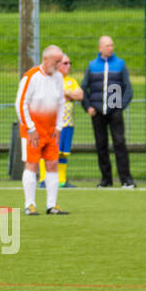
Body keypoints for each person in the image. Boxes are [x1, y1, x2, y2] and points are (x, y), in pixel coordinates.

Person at [16, 45, 67, 215]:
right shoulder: (31, 77)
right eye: (56, 61)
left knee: (53, 164)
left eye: (61, 61)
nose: (59, 65)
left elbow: (61, 104)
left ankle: (51, 205)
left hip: (51, 131)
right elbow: (20, 104)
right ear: (46, 59)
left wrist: (59, 127)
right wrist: (30, 128)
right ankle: (29, 205)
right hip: (33, 131)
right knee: (32, 165)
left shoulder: (59, 77)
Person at [81, 35, 136, 188]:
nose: (110, 48)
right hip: (97, 113)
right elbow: (83, 89)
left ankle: (126, 179)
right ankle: (106, 180)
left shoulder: (120, 64)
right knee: (101, 145)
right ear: (100, 48)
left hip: (115, 112)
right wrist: (88, 107)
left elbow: (128, 89)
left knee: (120, 144)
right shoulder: (92, 66)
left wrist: (119, 106)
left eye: (111, 45)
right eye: (107, 46)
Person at [39, 54, 83, 189]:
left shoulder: (71, 81)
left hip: (68, 123)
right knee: (49, 151)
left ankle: (62, 181)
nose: (68, 66)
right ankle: (43, 179)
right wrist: (68, 94)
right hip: (54, 123)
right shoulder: (51, 79)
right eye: (65, 63)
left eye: (70, 63)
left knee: (63, 152)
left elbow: (80, 95)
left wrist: (66, 93)